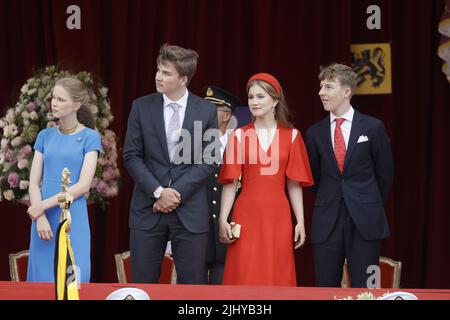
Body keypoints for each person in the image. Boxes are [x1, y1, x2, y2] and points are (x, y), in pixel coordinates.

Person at [123, 43, 218, 284]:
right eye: (158, 70)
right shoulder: (141, 107)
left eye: (166, 73)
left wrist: (175, 194)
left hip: (189, 211)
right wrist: (158, 192)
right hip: (147, 208)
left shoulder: (206, 111)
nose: (157, 76)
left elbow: (209, 160)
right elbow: (131, 156)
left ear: (183, 79)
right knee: (143, 286)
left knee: (192, 288)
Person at [218, 73, 314, 286]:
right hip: (246, 214)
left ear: (275, 100)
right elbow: (231, 182)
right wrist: (223, 218)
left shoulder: (292, 136)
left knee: (277, 274)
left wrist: (300, 221)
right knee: (245, 273)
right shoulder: (239, 136)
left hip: (278, 215)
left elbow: (294, 183)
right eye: (251, 97)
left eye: (260, 97)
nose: (254, 102)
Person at [305, 63, 394, 288]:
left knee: (366, 287)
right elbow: (314, 177)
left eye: (328, 87)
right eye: (321, 86)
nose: (321, 92)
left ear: (347, 92)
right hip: (328, 220)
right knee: (325, 287)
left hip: (365, 219)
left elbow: (385, 175)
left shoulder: (373, 127)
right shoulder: (314, 133)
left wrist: (367, 202)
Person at [27, 77, 101, 282]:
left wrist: (41, 206)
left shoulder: (90, 137)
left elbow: (83, 185)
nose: (54, 103)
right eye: (53, 98)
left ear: (76, 104)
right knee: (41, 284)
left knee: (72, 284)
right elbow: (34, 182)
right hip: (43, 222)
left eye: (61, 99)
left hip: (72, 218)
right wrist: (40, 217)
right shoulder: (44, 135)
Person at [203, 85, 241, 285]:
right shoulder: (191, 144)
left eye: (210, 109)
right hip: (198, 228)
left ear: (226, 115)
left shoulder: (240, 144)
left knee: (223, 287)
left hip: (227, 228)